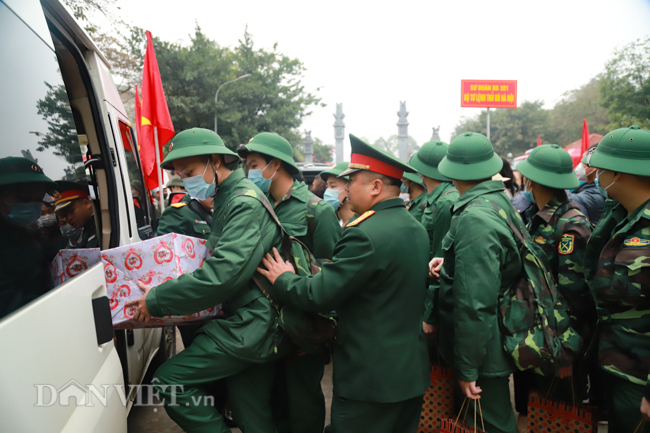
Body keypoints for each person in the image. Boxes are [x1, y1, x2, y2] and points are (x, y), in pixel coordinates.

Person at [257, 134, 430, 433]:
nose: (346, 189)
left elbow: (321, 294)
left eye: (352, 181)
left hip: (369, 378)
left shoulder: (363, 233)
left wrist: (284, 278)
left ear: (376, 186)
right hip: (409, 375)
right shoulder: (414, 227)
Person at [125, 127, 287, 433]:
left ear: (215, 161)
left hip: (251, 324)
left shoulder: (243, 202)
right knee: (250, 411)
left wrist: (157, 299)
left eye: (190, 171)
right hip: (248, 320)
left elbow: (223, 274)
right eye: (181, 174)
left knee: (170, 381)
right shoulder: (229, 197)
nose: (186, 181)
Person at [237, 132, 341, 433]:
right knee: (269, 403)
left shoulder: (316, 211)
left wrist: (317, 333)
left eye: (254, 164)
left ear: (275, 165)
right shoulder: (254, 205)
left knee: (303, 404)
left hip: (300, 329)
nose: (249, 172)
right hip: (261, 326)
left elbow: (331, 277)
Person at [433, 132, 521, 433]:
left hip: (483, 348)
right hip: (490, 337)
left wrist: (468, 365)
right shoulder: (495, 200)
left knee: (490, 423)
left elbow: (475, 302)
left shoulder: (475, 218)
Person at [583, 126, 650, 433]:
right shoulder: (623, 216)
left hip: (641, 380)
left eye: (601, 168)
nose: (595, 173)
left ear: (619, 173)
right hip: (617, 366)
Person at [517, 144, 594, 404]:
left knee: (560, 416)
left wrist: (566, 352)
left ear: (530, 180)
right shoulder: (536, 217)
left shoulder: (570, 224)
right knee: (541, 413)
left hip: (559, 346)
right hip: (538, 338)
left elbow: (576, 296)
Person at [408, 140, 459, 342]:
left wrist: (431, 316)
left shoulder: (446, 201)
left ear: (421, 172)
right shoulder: (436, 199)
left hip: (438, 303)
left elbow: (440, 262)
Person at [0, 157, 57, 319]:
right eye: (25, 199)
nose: (34, 206)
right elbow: (8, 303)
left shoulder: (26, 234)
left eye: (38, 199)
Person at [53, 181, 97, 248]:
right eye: (64, 216)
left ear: (87, 203)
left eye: (71, 211)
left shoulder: (100, 225)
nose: (68, 219)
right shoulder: (88, 229)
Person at [570, 145, 606, 226]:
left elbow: (571, 199)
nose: (580, 165)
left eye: (584, 160)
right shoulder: (587, 187)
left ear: (595, 166)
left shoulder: (596, 194)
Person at [321, 162, 355, 227]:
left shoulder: (359, 224)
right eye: (327, 186)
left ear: (349, 188)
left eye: (333, 186)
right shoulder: (328, 221)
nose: (327, 191)